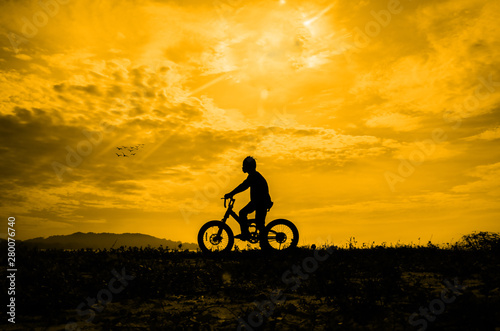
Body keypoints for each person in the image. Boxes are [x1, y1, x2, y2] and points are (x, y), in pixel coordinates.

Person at [224, 156, 273, 240]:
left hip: (260, 202)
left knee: (243, 214)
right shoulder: (254, 175)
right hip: (259, 202)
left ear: (249, 166)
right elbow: (244, 185)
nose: (242, 167)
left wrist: (231, 193)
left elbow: (243, 186)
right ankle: (260, 242)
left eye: (244, 165)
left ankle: (245, 234)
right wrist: (232, 193)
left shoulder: (254, 176)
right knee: (259, 224)